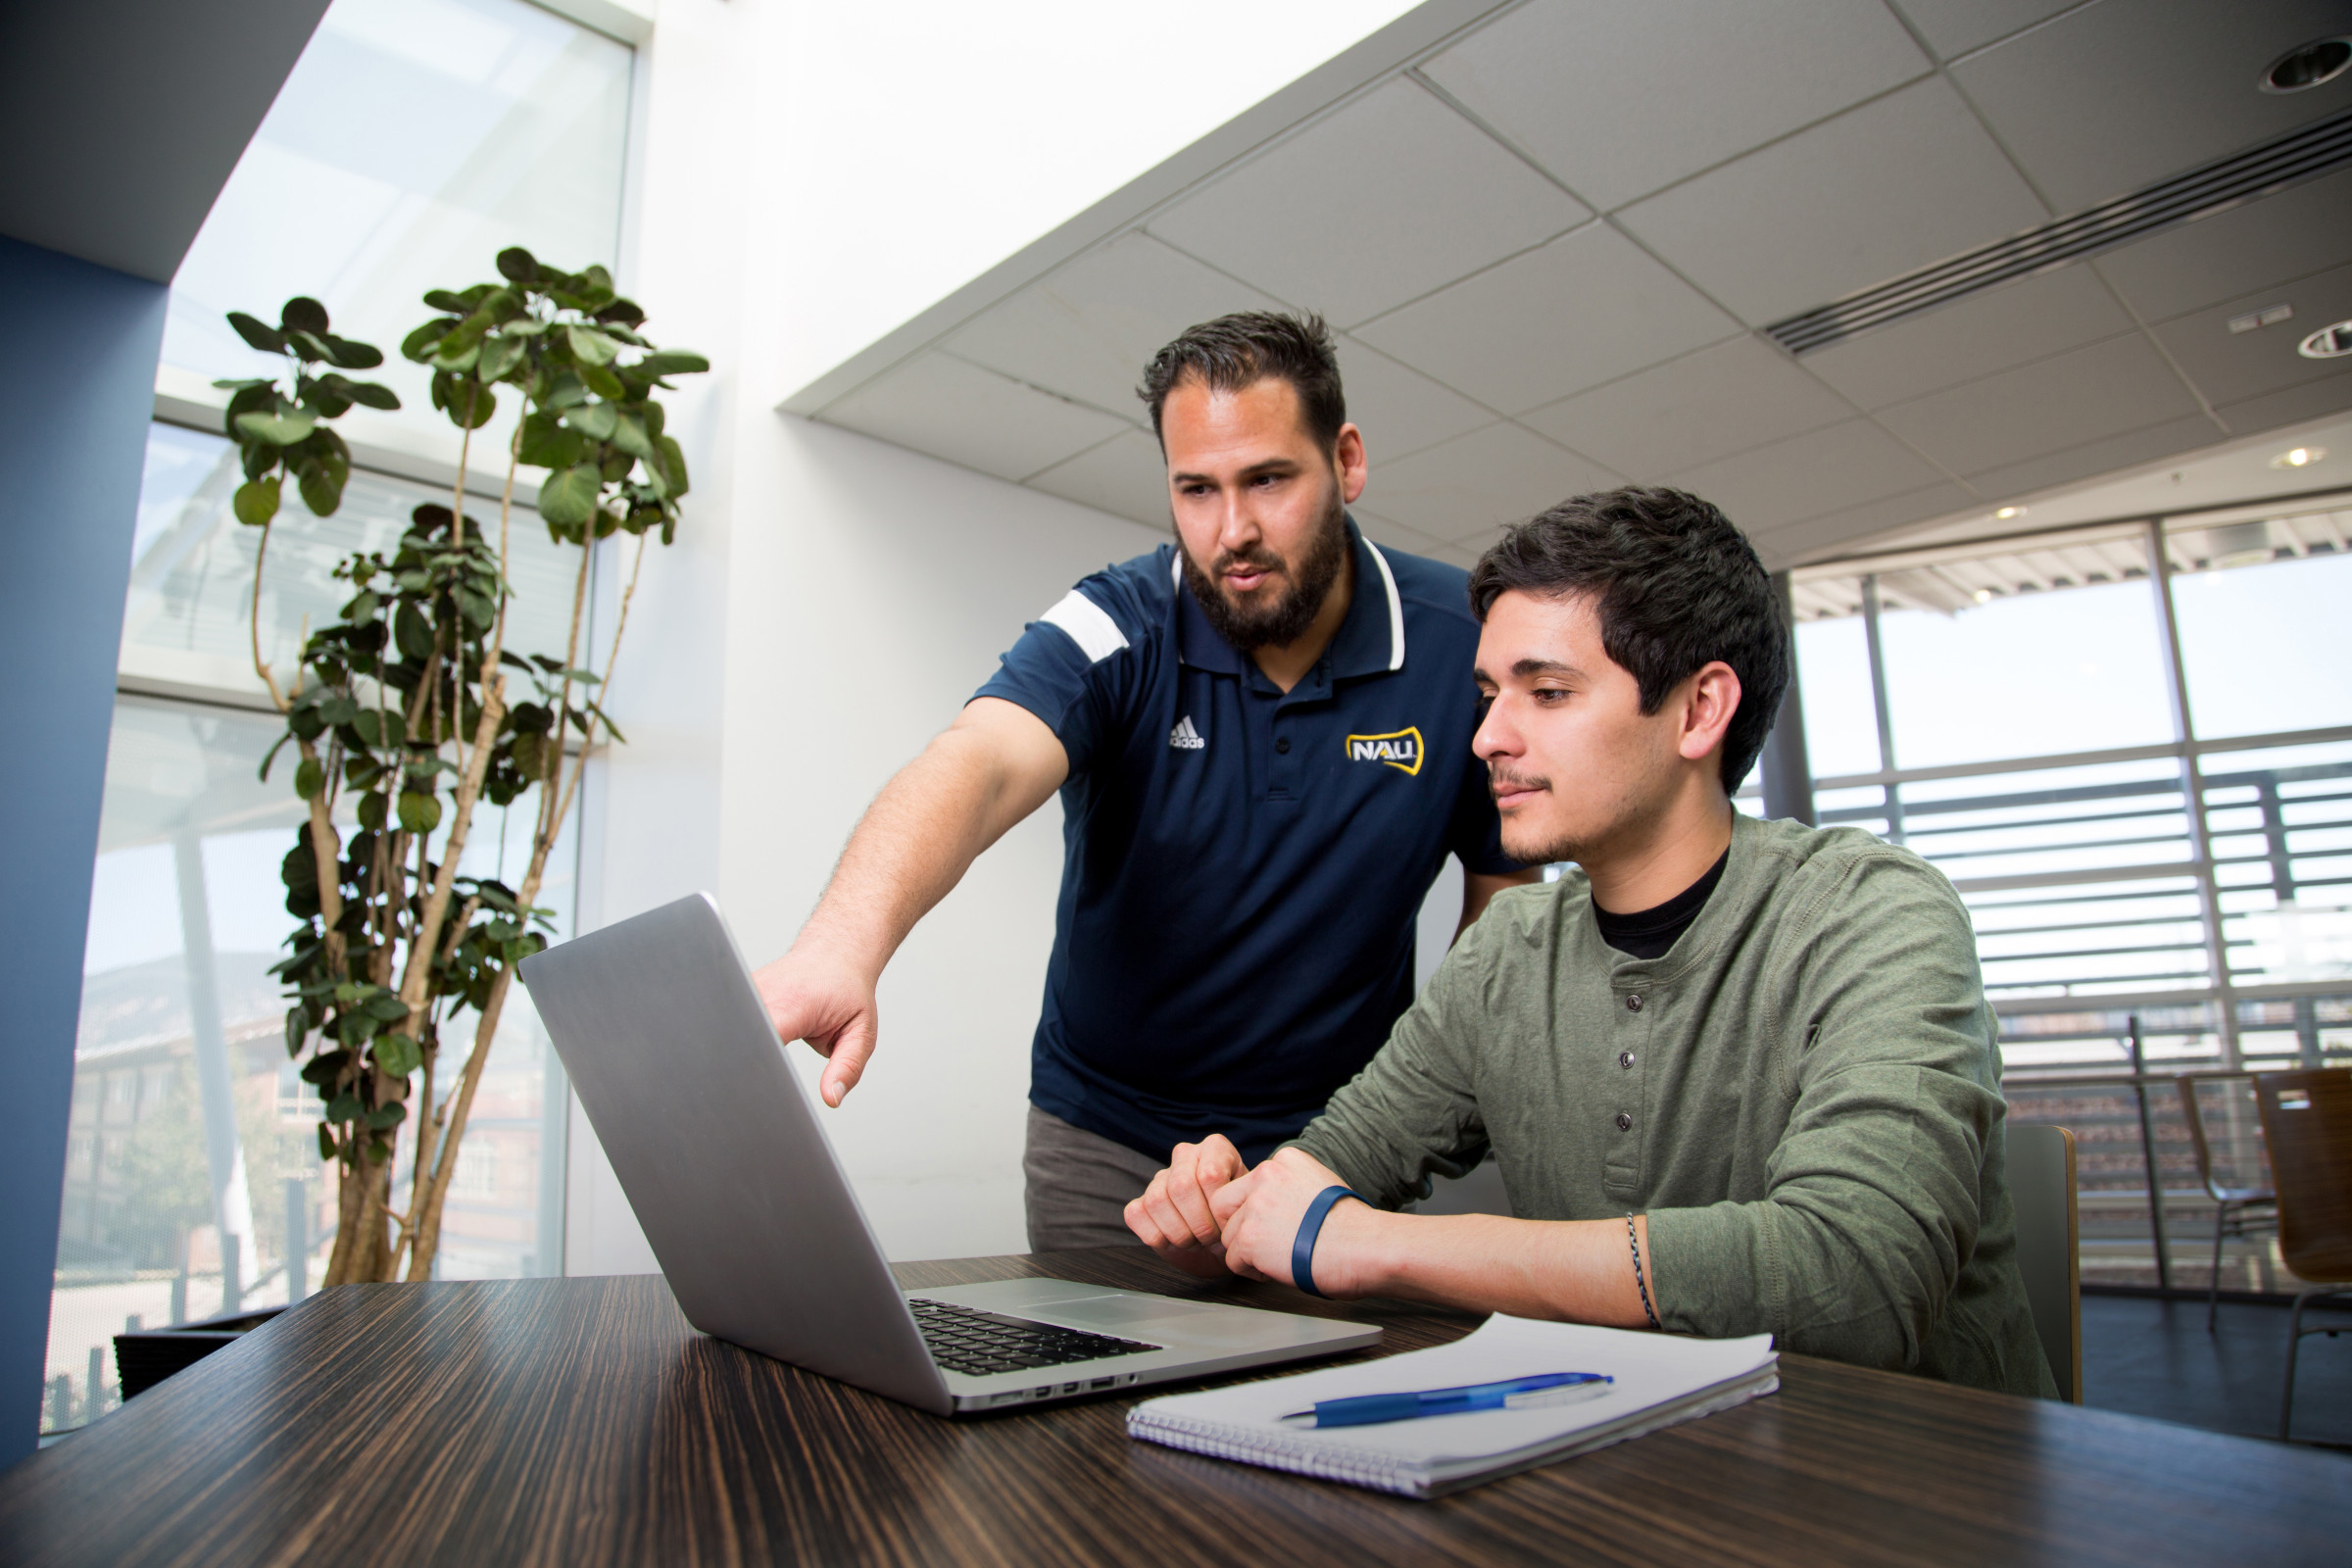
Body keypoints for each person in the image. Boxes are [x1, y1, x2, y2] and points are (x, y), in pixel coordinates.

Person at [1125, 486, 2055, 1396]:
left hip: (1909, 1488)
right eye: (1490, 695)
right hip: (1631, 1461)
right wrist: (1227, 1212)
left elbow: (1850, 1284)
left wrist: (1364, 1241)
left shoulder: (1875, 915)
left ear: (1699, 711)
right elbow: (1327, 1172)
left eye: (1549, 692)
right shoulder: (1507, 952)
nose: (1488, 736)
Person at [756, 312, 1534, 1250]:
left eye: (1269, 480)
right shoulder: (1115, 620)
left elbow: (1505, 898)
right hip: (1107, 1143)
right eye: (1196, 489)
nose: (1233, 531)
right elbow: (981, 759)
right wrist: (843, 947)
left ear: (1348, 462)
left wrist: (1418, 1106)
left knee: (1331, 1392)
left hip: (1340, 1151)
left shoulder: (1463, 641)